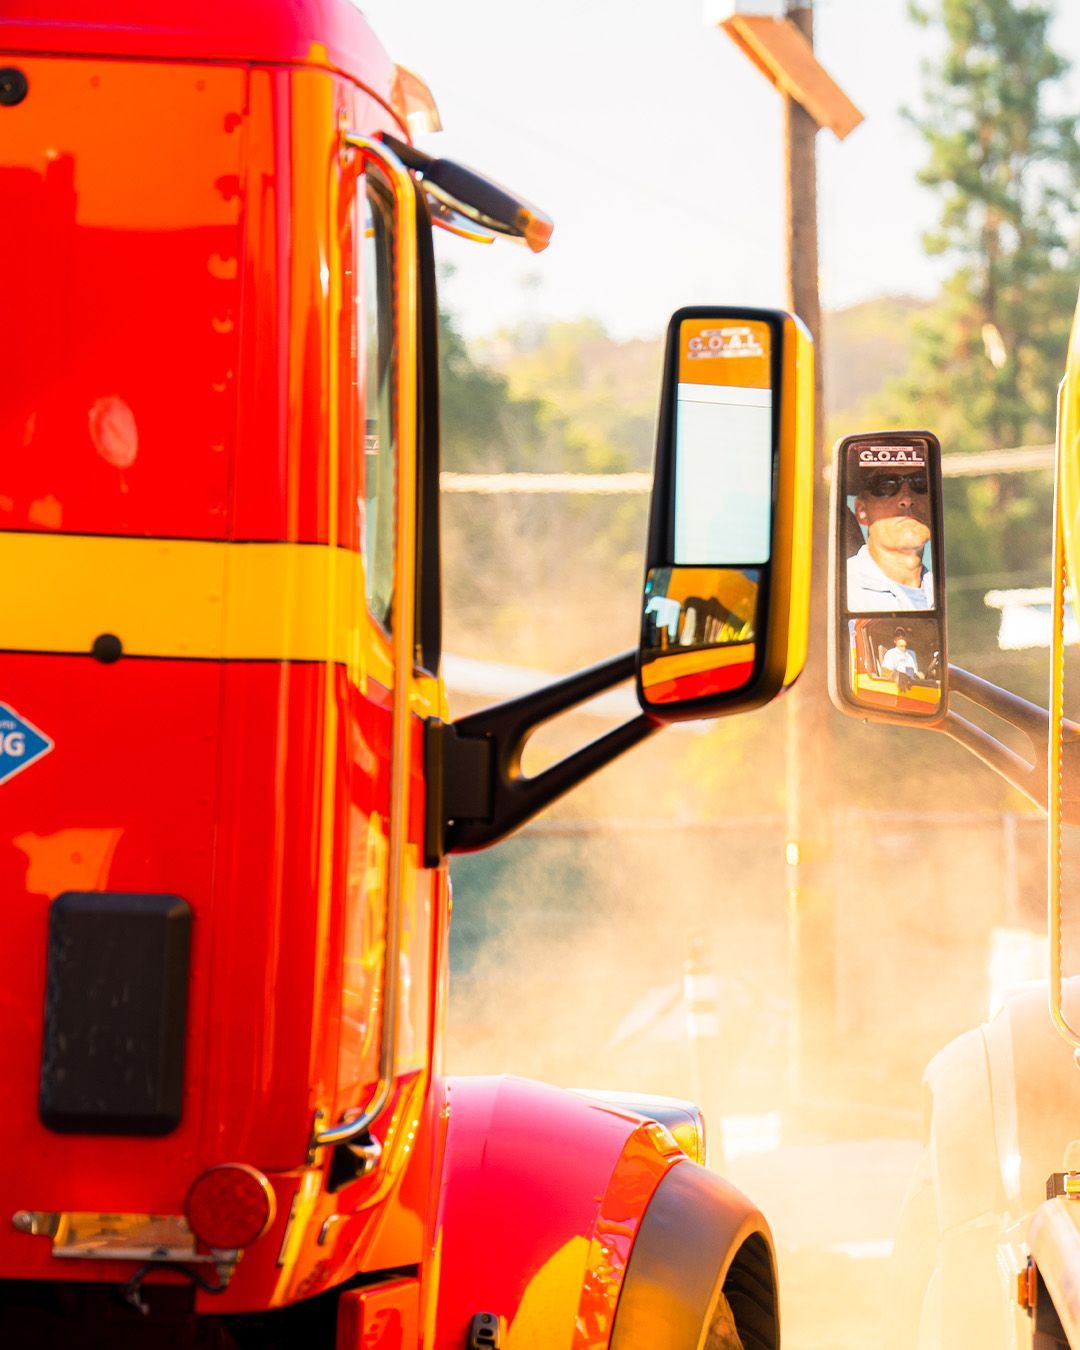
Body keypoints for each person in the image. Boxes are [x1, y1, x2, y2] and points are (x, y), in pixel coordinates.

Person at [846, 467, 934, 611]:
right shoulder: (840, 591)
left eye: (920, 483)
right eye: (887, 486)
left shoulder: (945, 591)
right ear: (861, 510)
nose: (907, 499)